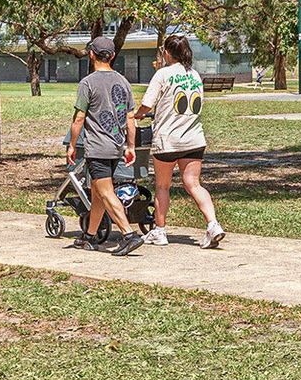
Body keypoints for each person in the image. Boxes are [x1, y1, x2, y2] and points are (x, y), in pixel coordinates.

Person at [135, 33, 225, 249]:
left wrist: (137, 114)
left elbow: (147, 104)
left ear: (167, 53)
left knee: (162, 185)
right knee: (193, 183)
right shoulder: (194, 75)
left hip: (168, 140)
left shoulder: (163, 74)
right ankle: (213, 224)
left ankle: (160, 230)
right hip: (194, 138)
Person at [66, 35, 145, 256]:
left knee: (106, 192)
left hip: (97, 148)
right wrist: (131, 147)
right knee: (98, 192)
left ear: (91, 54)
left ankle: (129, 235)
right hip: (116, 147)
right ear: (112, 55)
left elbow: (79, 118)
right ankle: (90, 236)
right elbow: (130, 118)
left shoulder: (87, 83)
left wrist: (72, 145)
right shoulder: (124, 82)